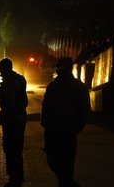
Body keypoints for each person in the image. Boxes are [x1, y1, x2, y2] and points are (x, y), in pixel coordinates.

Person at [41, 57, 91, 187]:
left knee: (66, 165)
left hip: (67, 131)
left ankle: (67, 183)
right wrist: (45, 122)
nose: (58, 70)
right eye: (57, 67)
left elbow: (85, 109)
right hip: (52, 130)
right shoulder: (52, 86)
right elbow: (46, 105)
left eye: (60, 67)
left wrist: (77, 126)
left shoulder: (78, 87)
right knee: (53, 161)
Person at [0, 58, 28, 187]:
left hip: (12, 119)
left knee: (11, 148)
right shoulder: (19, 79)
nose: (0, 74)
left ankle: (14, 178)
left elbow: (8, 104)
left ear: (3, 69)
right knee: (17, 149)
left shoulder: (10, 83)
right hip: (19, 117)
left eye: (0, 70)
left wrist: (5, 119)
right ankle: (17, 177)